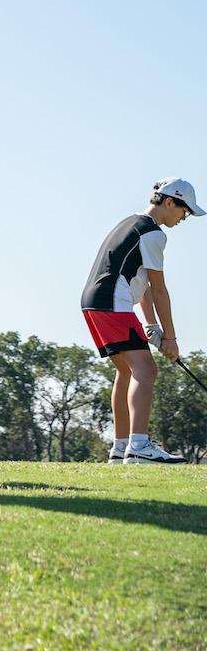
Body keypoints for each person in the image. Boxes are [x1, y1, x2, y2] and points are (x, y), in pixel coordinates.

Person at [80, 178, 201, 465]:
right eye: (184, 210)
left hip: (94, 302)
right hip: (113, 302)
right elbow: (159, 290)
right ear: (169, 202)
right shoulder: (154, 235)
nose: (184, 217)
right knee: (146, 370)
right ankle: (139, 446)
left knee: (127, 372)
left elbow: (142, 283)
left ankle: (121, 447)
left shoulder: (131, 223)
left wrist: (152, 326)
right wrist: (170, 339)